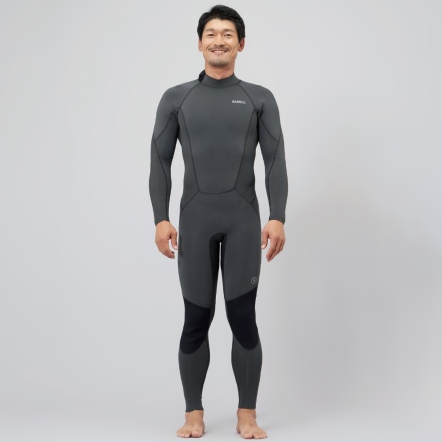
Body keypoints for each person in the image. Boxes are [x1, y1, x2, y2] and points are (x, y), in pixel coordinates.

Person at [149, 4, 288, 439]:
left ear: (240, 44)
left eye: (228, 34)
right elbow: (159, 161)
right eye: (211, 33)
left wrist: (277, 216)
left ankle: (247, 415)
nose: (219, 40)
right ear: (199, 43)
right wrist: (160, 218)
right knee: (196, 317)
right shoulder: (177, 99)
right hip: (195, 220)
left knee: (243, 316)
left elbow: (275, 160)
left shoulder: (259, 98)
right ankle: (194, 414)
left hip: (243, 220)